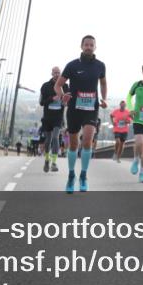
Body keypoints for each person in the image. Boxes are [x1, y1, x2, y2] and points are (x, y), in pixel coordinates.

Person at [56, 35, 107, 194]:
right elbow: (58, 85)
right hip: (74, 109)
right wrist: (62, 95)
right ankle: (71, 176)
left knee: (87, 141)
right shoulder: (72, 65)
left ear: (95, 47)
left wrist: (104, 98)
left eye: (91, 45)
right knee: (73, 144)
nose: (89, 47)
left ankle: (83, 176)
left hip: (91, 108)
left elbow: (103, 83)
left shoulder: (100, 66)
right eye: (86, 44)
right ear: (81, 46)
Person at [40, 67, 68, 173]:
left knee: (56, 138)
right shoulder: (45, 86)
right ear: (51, 73)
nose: (57, 74)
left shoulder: (65, 86)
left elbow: (69, 99)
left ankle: (54, 162)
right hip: (47, 118)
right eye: (55, 73)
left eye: (58, 73)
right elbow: (41, 102)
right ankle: (47, 159)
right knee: (48, 140)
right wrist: (52, 98)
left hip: (58, 118)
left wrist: (65, 101)